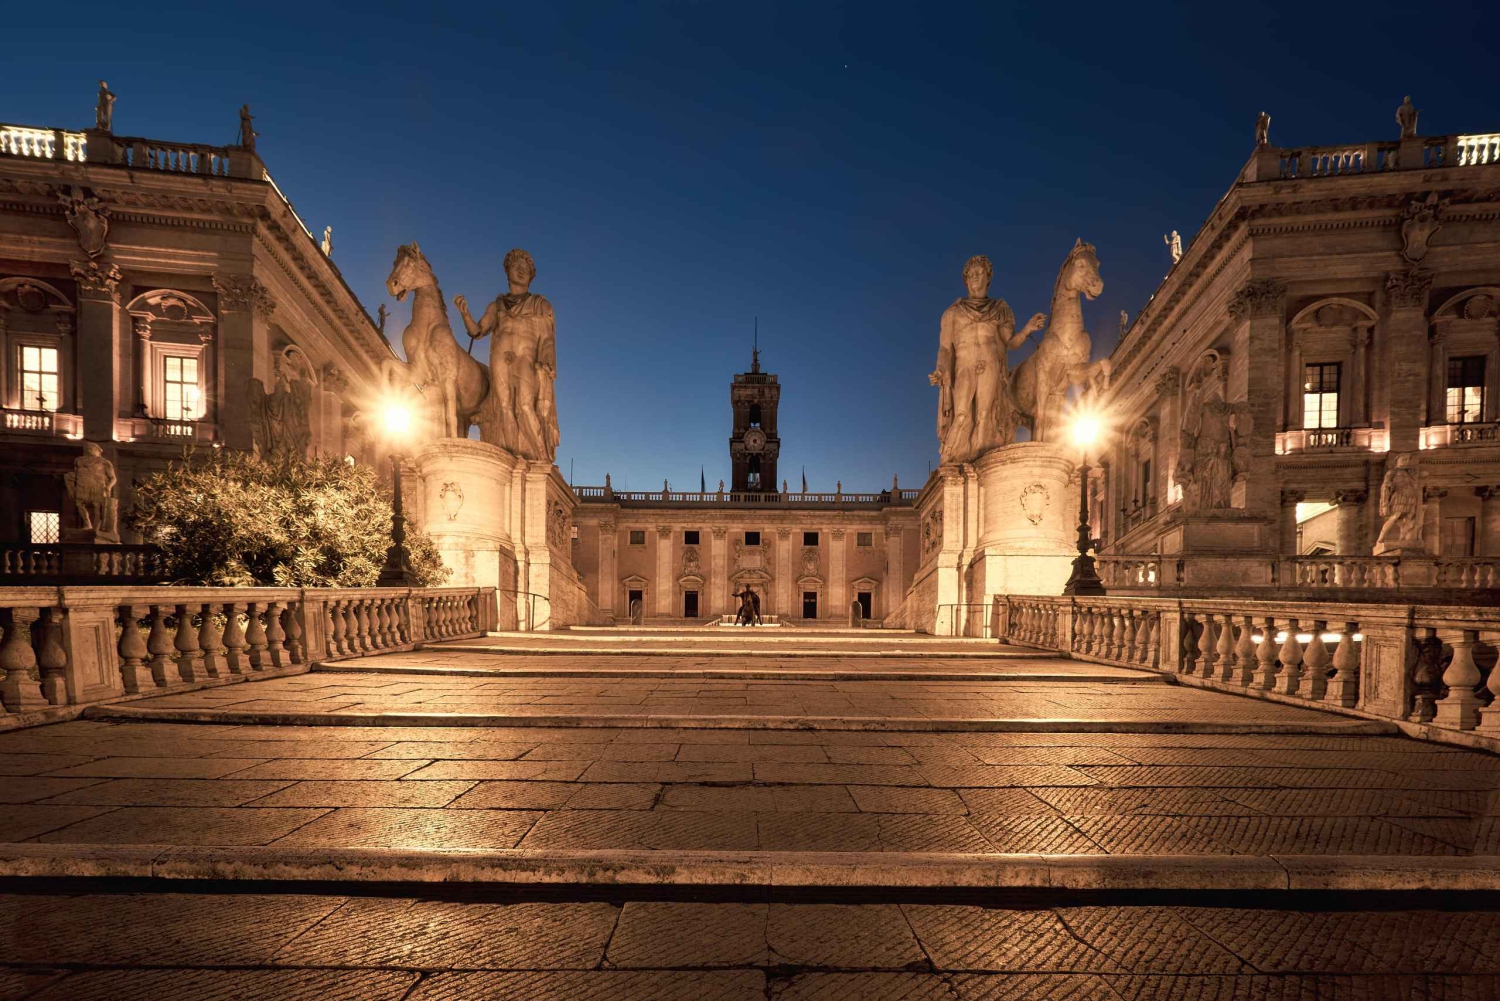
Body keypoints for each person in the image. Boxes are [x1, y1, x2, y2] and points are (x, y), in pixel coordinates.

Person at [929, 254, 1044, 463]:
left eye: (980, 273)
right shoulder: (953, 313)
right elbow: (945, 349)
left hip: (990, 363)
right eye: (971, 274)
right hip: (964, 366)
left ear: (987, 277)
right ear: (965, 279)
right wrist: (941, 370)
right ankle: (948, 458)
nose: (975, 277)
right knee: (962, 415)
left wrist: (1027, 329)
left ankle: (980, 466)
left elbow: (1010, 343)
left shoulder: (1000, 309)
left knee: (984, 416)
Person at [455, 248, 558, 460]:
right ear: (507, 271)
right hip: (501, 357)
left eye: (526, 269)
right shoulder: (497, 306)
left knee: (525, 406)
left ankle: (541, 457)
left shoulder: (540, 304)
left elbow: (547, 339)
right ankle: (512, 457)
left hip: (526, 359)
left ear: (531, 276)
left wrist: (546, 362)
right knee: (503, 408)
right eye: (516, 267)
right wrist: (465, 314)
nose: (521, 271)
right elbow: (477, 331)